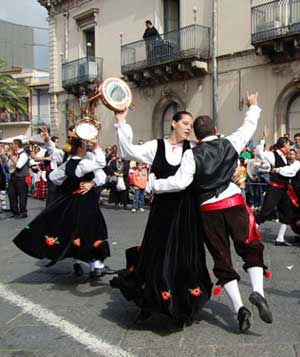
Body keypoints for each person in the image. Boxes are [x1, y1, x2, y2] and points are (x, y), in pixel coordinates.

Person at [151, 93, 272, 333]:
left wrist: (154, 185)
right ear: (216, 130)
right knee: (250, 246)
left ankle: (239, 308)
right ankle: (257, 291)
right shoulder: (230, 142)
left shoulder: (191, 154)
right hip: (234, 201)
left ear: (196, 135)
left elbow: (179, 183)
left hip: (208, 210)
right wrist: (253, 105)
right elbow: (249, 126)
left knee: (221, 258)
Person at [109, 109, 212, 328]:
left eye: (190, 125)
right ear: (173, 123)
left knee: (184, 256)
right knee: (156, 253)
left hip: (186, 211)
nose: (188, 127)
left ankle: (182, 306)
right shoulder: (155, 146)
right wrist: (121, 122)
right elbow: (127, 151)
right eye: (184, 123)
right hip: (163, 211)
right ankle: (149, 302)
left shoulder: (193, 148)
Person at [12, 137, 110, 277]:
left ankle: (79, 263)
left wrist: (69, 184)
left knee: (74, 231)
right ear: (81, 149)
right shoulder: (84, 163)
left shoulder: (67, 164)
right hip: (86, 202)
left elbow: (53, 177)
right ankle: (95, 264)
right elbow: (101, 163)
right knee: (92, 229)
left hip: (72, 202)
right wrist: (97, 146)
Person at [6, 139, 29, 219]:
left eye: (12, 144)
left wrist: (11, 156)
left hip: (21, 177)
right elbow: (9, 166)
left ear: (16, 145)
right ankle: (14, 212)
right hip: (13, 177)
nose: (11, 146)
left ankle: (23, 212)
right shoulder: (15, 154)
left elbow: (19, 165)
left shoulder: (23, 154)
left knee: (22, 196)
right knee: (11, 194)